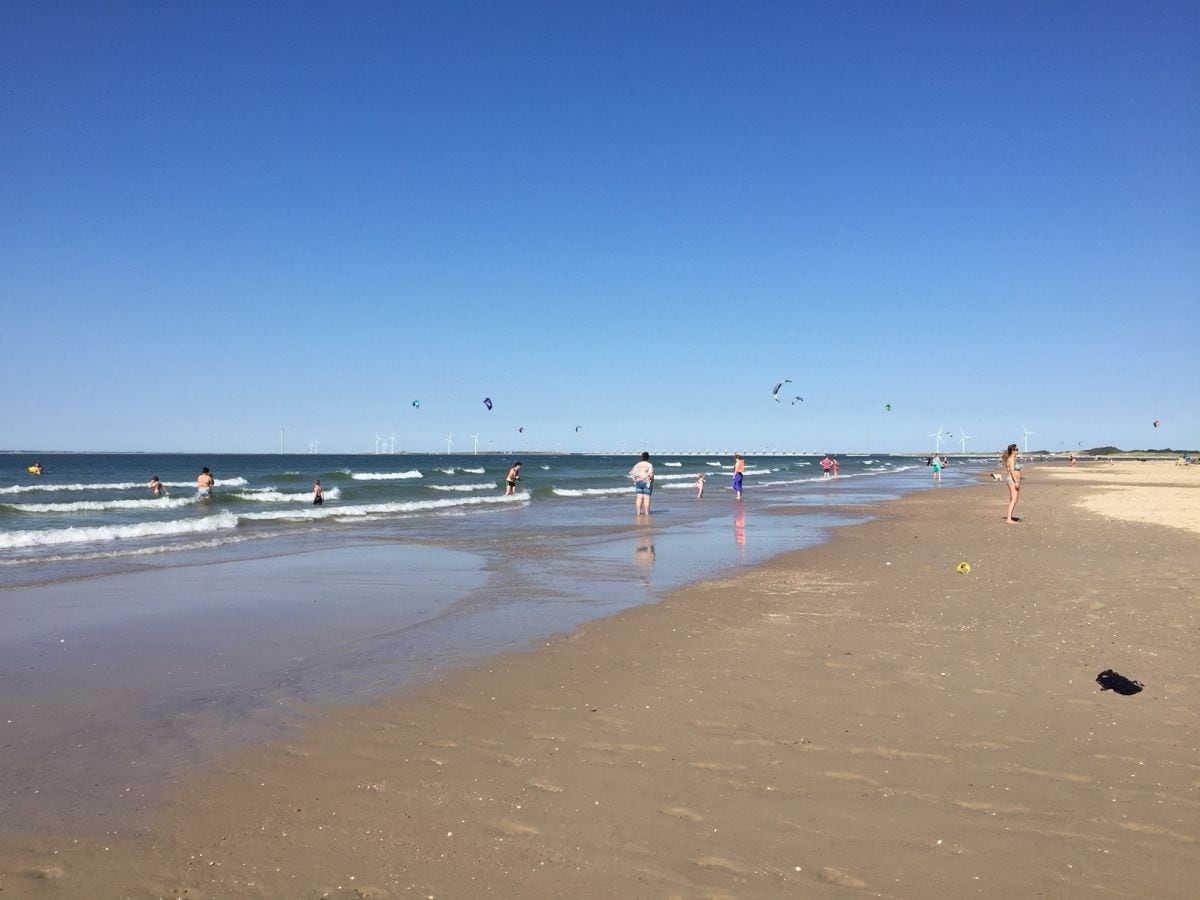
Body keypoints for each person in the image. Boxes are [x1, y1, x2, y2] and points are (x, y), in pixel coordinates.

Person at [1001, 443, 1022, 523]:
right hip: (1013, 480)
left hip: (1013, 480)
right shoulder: (1011, 459)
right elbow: (1012, 471)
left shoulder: (1011, 458)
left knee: (1014, 499)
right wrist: (1016, 481)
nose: (1018, 450)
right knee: (1014, 499)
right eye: (1016, 449)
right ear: (1012, 451)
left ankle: (1009, 518)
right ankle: (1009, 519)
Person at [629, 451, 654, 515]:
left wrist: (635, 479)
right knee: (646, 498)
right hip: (646, 482)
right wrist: (651, 480)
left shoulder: (637, 464)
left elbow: (632, 473)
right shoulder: (649, 465)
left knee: (639, 498)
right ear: (648, 458)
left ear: (641, 457)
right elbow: (651, 475)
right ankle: (646, 512)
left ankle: (638, 512)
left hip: (638, 482)